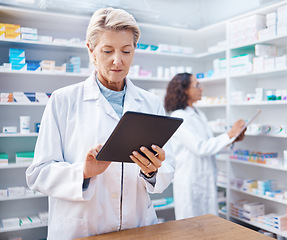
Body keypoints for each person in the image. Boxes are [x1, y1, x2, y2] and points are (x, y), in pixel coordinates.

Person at [26, 7, 175, 240]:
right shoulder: (63, 101)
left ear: (134, 51)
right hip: (82, 231)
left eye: (126, 51)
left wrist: (152, 170)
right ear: (91, 50)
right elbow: (38, 174)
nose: (118, 60)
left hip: (138, 227)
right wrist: (83, 171)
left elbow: (167, 167)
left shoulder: (150, 103)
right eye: (107, 50)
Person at [164, 72, 245, 220]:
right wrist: (228, 135)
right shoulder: (178, 116)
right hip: (190, 181)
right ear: (185, 90)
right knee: (190, 228)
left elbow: (210, 145)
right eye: (197, 85)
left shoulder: (199, 114)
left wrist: (232, 139)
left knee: (209, 225)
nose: (201, 89)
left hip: (205, 178)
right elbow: (201, 148)